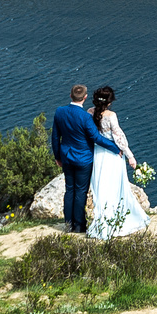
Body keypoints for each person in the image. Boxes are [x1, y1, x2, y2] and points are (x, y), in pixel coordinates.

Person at [84, 85, 149, 239]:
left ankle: (103, 220)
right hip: (112, 156)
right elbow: (119, 138)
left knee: (101, 188)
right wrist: (130, 156)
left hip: (97, 155)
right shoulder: (111, 116)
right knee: (115, 187)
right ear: (109, 102)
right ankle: (118, 218)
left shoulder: (89, 112)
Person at [49, 83, 113, 234]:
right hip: (84, 159)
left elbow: (55, 137)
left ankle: (68, 224)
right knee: (81, 192)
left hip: (66, 157)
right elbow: (96, 138)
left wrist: (57, 157)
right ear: (84, 98)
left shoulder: (60, 112)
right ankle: (79, 226)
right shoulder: (85, 117)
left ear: (70, 96)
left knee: (69, 190)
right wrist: (116, 148)